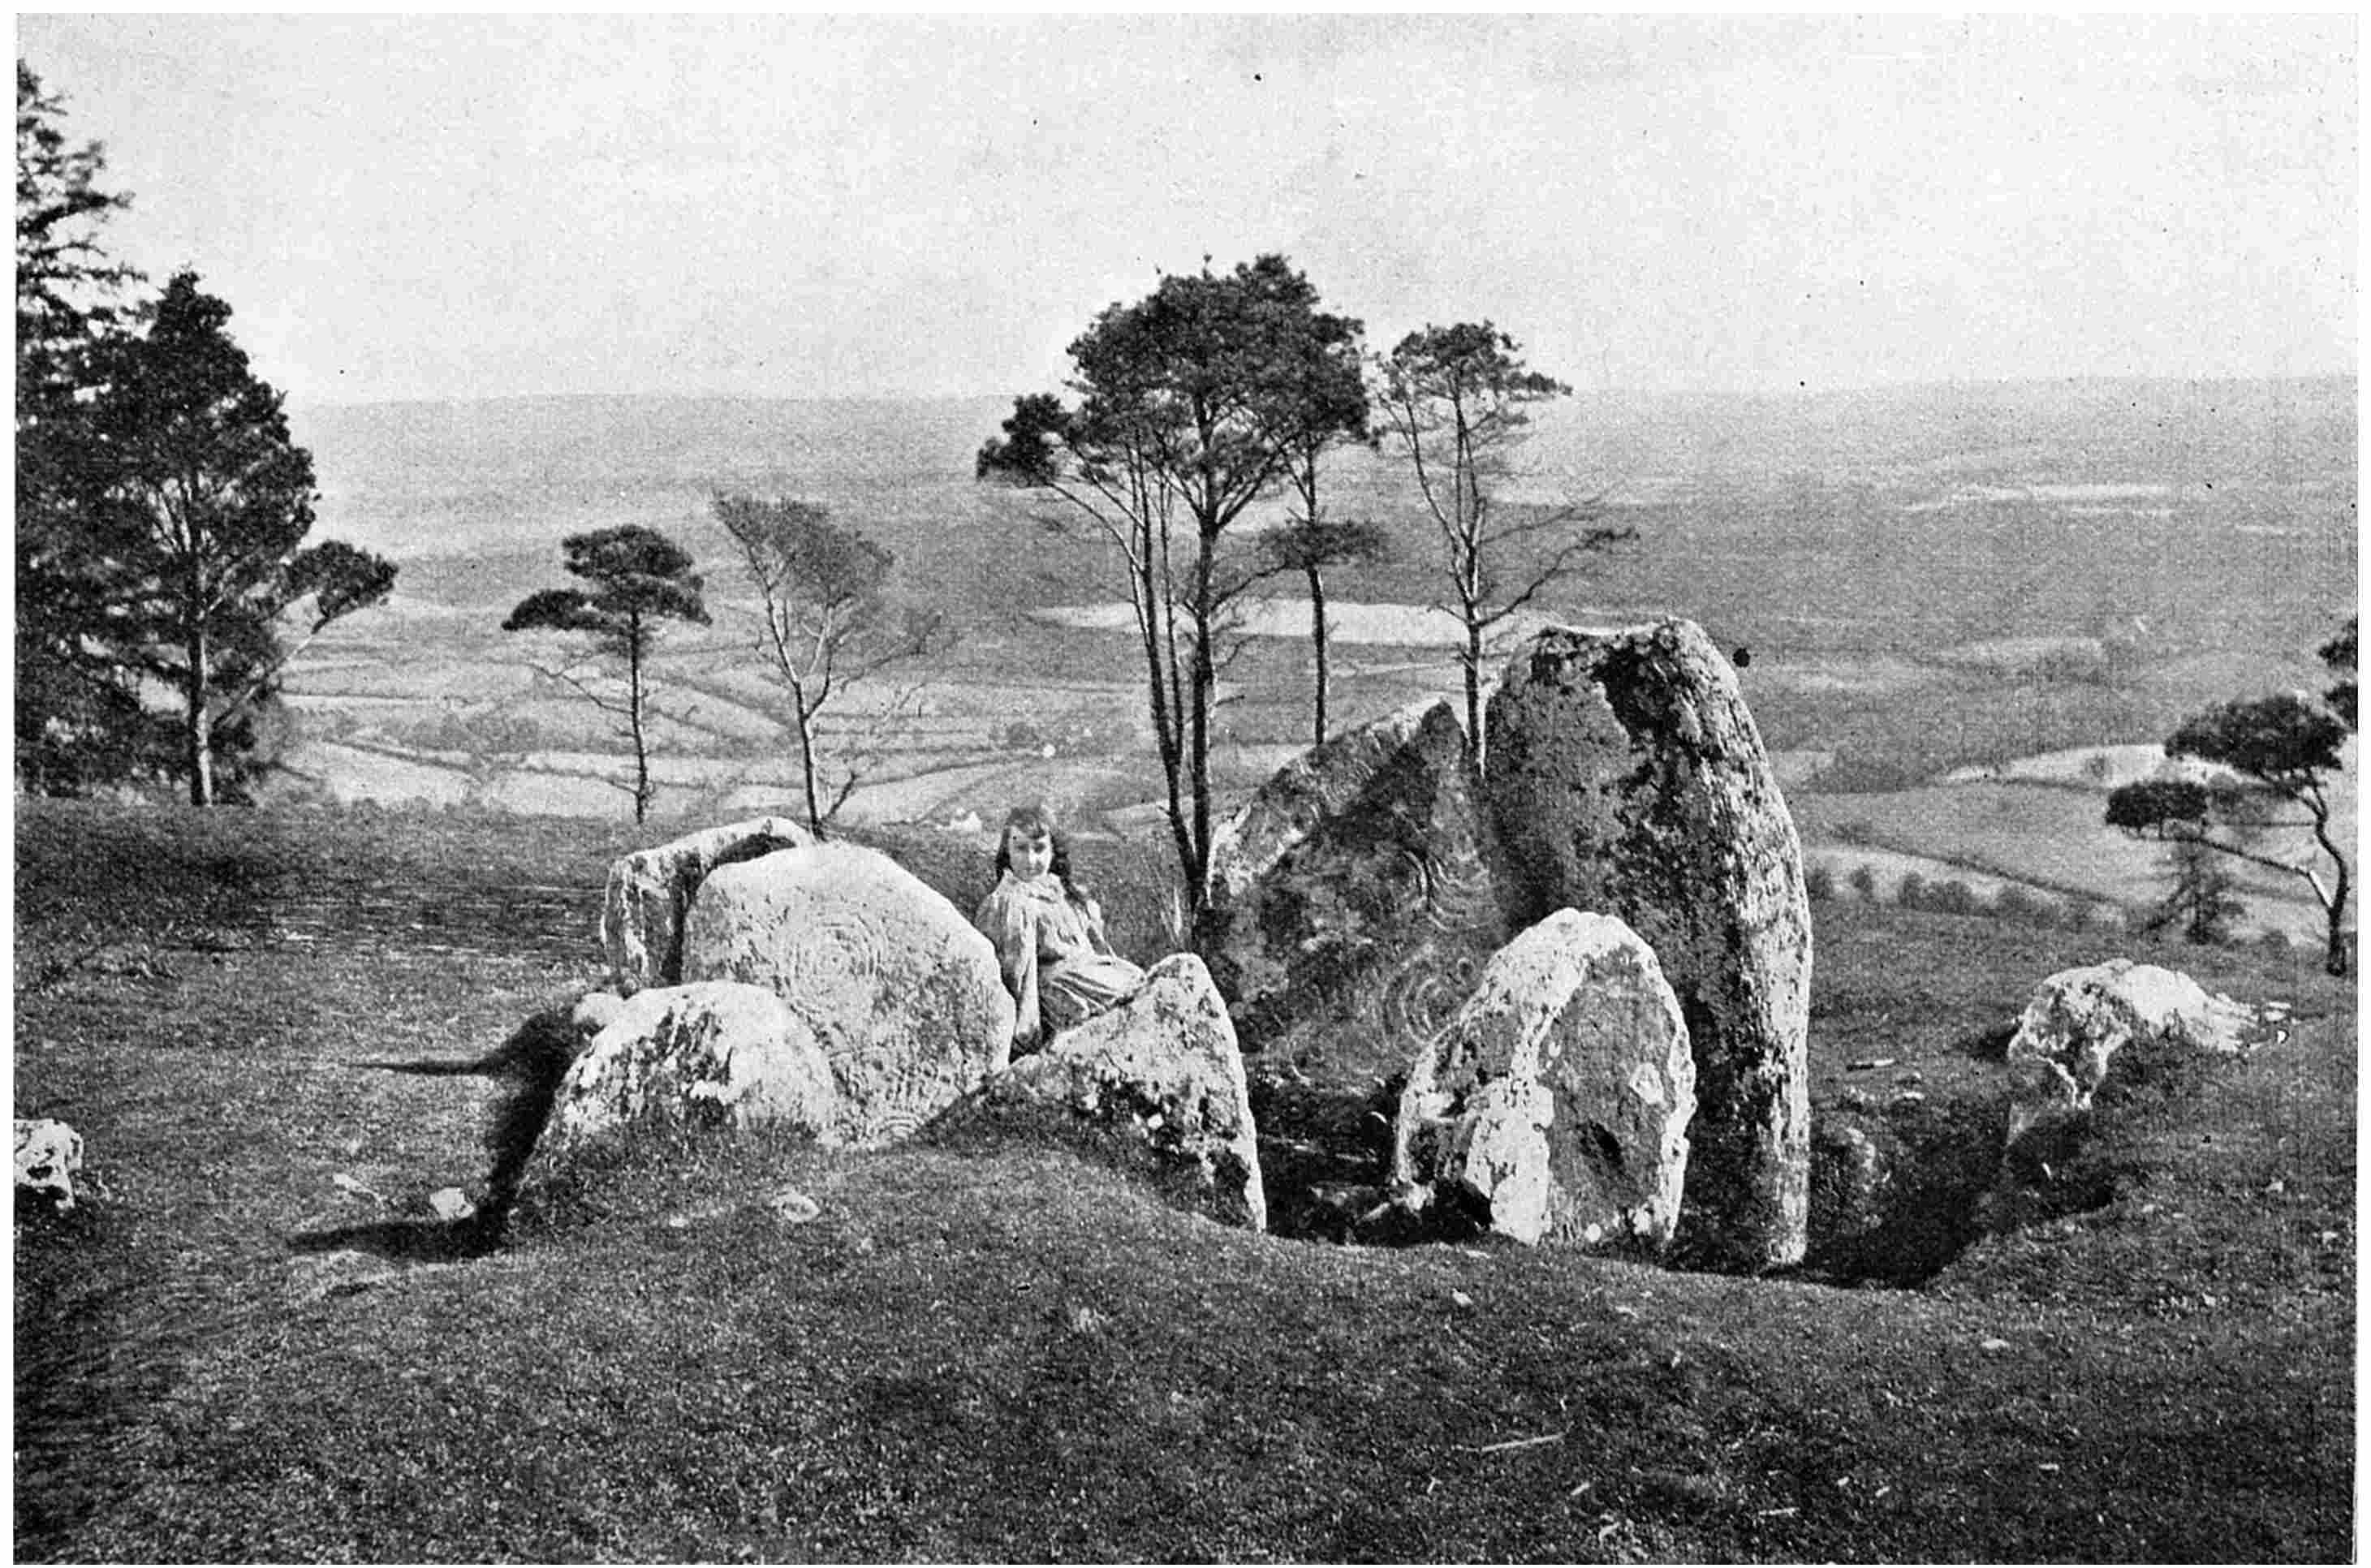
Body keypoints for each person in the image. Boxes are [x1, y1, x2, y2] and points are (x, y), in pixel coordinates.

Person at [972, 806, 1145, 1052]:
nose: (1031, 860)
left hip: (1085, 974)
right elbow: (1020, 975)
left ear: (1053, 851)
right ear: (1007, 852)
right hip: (1059, 991)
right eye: (1020, 849)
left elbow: (1095, 948)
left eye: (1039, 848)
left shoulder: (1060, 892)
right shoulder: (1012, 901)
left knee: (1140, 983)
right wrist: (1027, 1036)